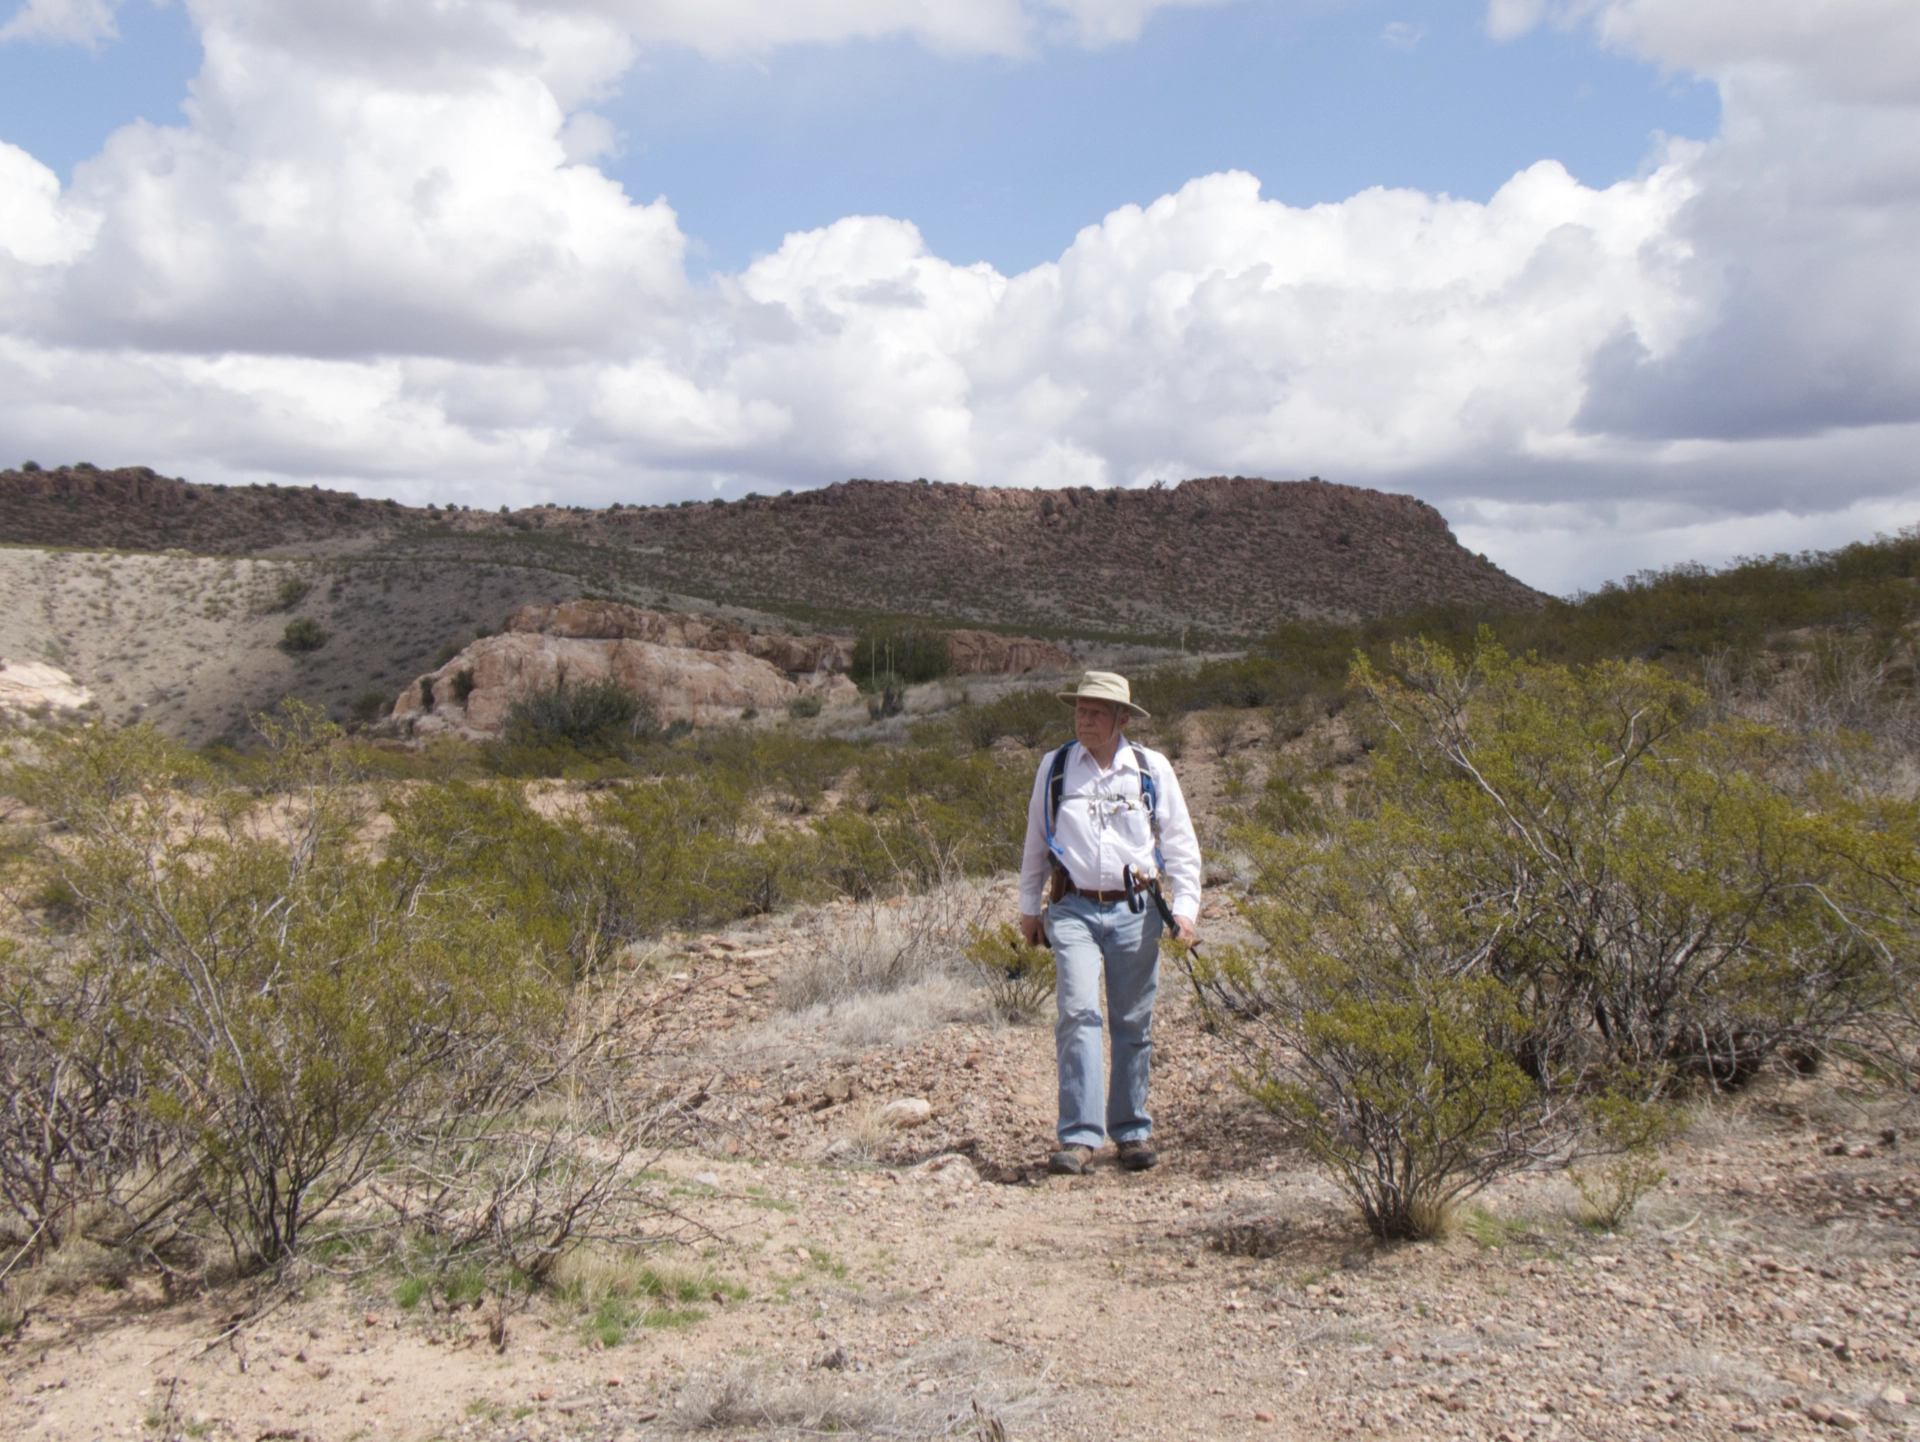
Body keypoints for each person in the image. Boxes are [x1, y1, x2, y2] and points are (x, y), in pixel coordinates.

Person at [1017, 671, 1201, 1175]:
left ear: (1122, 719)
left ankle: (1131, 1132)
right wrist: (1028, 908)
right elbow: (1036, 839)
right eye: (1080, 710)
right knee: (1077, 1011)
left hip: (1137, 911)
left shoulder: (1150, 768)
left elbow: (1180, 843)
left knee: (1132, 1021)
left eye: (1097, 712)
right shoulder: (1055, 767)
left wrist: (1185, 909)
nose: (1085, 719)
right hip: (1073, 908)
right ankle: (1078, 1137)